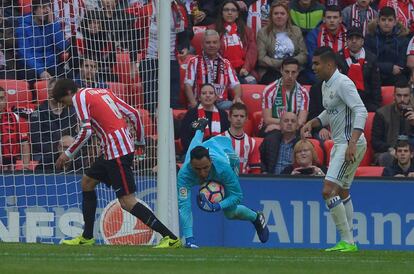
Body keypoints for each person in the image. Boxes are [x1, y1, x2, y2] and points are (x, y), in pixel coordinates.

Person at [52, 78, 180, 248]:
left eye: (64, 102)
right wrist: (140, 141)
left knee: (127, 202)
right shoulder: (101, 91)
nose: (67, 106)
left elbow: (86, 131)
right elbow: (133, 113)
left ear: (68, 93)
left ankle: (170, 237)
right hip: (113, 149)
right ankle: (87, 237)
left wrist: (67, 154)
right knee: (87, 182)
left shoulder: (78, 97)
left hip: (116, 152)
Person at [301, 46, 368, 252]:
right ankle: (350, 242)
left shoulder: (343, 83)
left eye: (317, 63)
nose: (313, 67)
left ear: (330, 64)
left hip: (349, 144)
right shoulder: (325, 84)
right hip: (343, 143)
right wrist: (313, 122)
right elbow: (331, 112)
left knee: (328, 191)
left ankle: (347, 241)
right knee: (343, 191)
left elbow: (361, 111)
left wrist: (352, 142)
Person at [177, 117, 269, 248]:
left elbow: (237, 196)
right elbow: (184, 207)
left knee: (230, 213)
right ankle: (201, 127)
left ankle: (256, 217)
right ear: (191, 165)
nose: (202, 173)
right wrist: (189, 239)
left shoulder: (223, 168)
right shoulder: (184, 174)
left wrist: (217, 206)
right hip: (204, 149)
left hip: (229, 156)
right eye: (197, 169)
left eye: (205, 168)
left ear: (210, 162)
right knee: (194, 145)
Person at [184, 29, 243, 110]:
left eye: (215, 42)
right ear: (202, 45)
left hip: (221, 103)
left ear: (219, 44)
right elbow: (187, 85)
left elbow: (236, 85)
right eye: (208, 43)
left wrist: (237, 98)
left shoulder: (226, 63)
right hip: (200, 103)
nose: (211, 45)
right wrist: (193, 103)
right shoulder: (194, 61)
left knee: (236, 108)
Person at [30, 78, 78, 172]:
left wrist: (67, 147)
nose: (53, 93)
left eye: (56, 91)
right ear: (48, 92)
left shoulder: (72, 111)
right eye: (51, 91)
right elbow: (36, 142)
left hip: (68, 150)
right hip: (44, 153)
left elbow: (76, 134)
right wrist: (57, 149)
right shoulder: (38, 112)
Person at [14, 0, 70, 81]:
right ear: (34, 10)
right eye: (43, 8)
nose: (46, 11)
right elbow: (26, 54)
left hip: (50, 66)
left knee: (70, 77)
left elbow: (62, 46)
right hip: (31, 67)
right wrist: (40, 71)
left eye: (48, 8)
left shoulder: (53, 25)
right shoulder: (23, 28)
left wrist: (52, 24)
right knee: (31, 78)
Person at [256, 2, 308, 84]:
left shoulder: (296, 31)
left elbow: (304, 54)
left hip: (295, 70)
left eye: (282, 13)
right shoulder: (263, 32)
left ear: (287, 16)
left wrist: (291, 64)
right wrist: (283, 64)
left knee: (305, 81)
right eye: (276, 13)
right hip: (272, 71)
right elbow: (261, 58)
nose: (279, 16)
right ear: (271, 16)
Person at [336, 27, 382, 112]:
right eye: (350, 38)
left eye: (357, 38)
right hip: (343, 102)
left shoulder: (371, 58)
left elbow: (375, 85)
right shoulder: (338, 58)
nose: (354, 41)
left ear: (362, 41)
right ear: (346, 41)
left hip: (365, 101)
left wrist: (376, 104)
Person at [372, 77, 414, 167]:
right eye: (399, 95)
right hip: (389, 152)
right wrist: (390, 149)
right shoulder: (381, 113)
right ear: (394, 96)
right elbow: (375, 142)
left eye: (405, 96)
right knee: (386, 158)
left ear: (410, 96)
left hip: (411, 152)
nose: (402, 99)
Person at [214, 0, 258, 84]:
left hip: (243, 71)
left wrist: (246, 68)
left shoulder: (247, 31)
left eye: (233, 10)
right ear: (222, 13)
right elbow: (212, 52)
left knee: (252, 81)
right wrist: (227, 69)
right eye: (226, 10)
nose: (229, 12)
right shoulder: (213, 30)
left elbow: (252, 51)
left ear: (237, 14)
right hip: (222, 71)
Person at [364, 6, 409, 86]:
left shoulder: (403, 38)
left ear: (395, 22)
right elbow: (368, 62)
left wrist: (396, 69)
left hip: (396, 77)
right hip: (375, 75)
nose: (386, 23)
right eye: (383, 19)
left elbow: (402, 64)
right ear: (378, 21)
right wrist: (390, 67)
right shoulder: (370, 38)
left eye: (390, 20)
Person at [180, 83, 230, 154]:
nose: (208, 95)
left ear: (216, 97)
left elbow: (226, 137)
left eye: (211, 93)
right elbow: (185, 137)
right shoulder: (191, 113)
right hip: (195, 153)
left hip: (218, 152)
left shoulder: (223, 115)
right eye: (204, 93)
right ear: (199, 97)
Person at [305, 5, 347, 84]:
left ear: (340, 19)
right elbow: (312, 60)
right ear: (323, 19)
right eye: (329, 17)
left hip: (344, 74)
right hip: (319, 76)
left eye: (335, 17)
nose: (332, 20)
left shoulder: (349, 34)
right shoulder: (313, 35)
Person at [0, 87, 30, 170]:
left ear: (6, 99)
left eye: (1, 98)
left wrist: (25, 167)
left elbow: (24, 144)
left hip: (9, 168)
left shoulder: (15, 118)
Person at [222, 102, 257, 174]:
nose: (238, 119)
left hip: (245, 182)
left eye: (242, 116)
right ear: (229, 117)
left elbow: (256, 170)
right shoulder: (219, 140)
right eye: (235, 116)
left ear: (246, 119)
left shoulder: (252, 143)